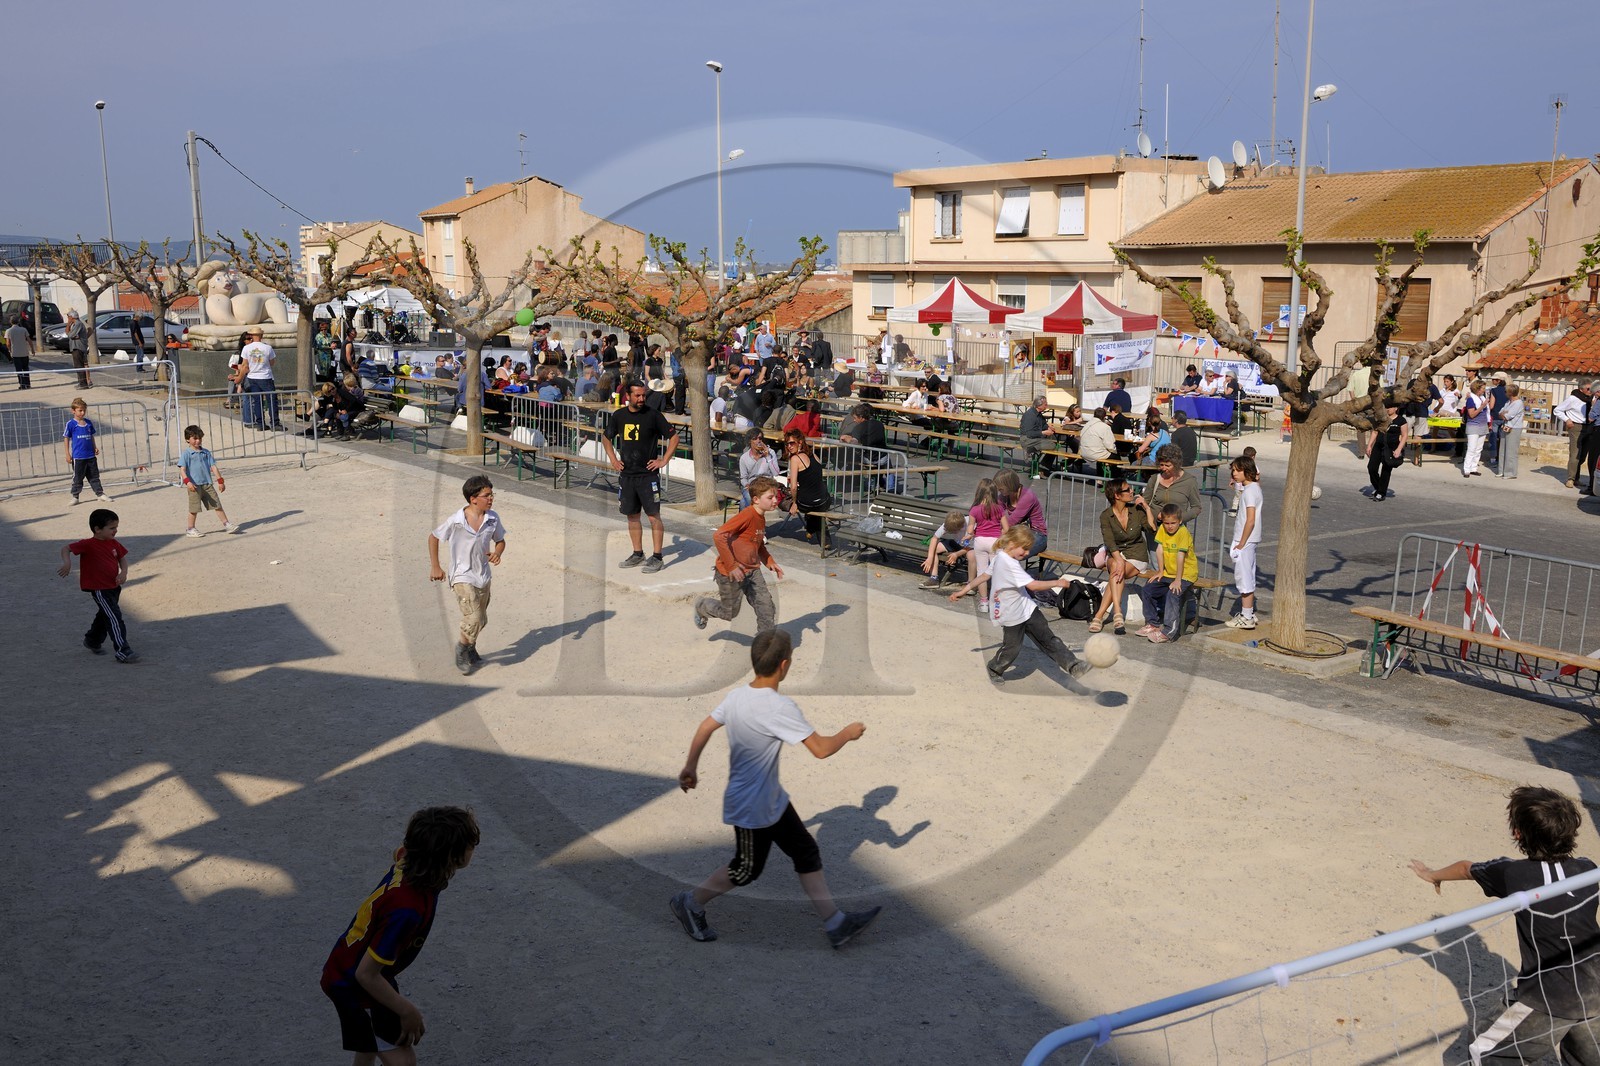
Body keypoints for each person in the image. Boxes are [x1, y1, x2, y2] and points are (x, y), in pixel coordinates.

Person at [671, 629, 881, 949]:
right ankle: (690, 902)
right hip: (753, 807)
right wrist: (846, 733)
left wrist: (691, 767)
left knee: (805, 851)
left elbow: (705, 726)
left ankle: (836, 924)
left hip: (770, 800)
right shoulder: (779, 707)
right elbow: (821, 749)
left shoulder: (737, 696)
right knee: (746, 870)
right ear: (785, 665)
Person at [1409, 786, 1599, 1065]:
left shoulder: (1512, 873)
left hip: (1546, 1000)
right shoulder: (1588, 869)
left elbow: (1465, 868)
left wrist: (1431, 875)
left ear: (1517, 833)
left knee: (1486, 1055)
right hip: (1597, 988)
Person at [320, 806, 480, 1064]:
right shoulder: (407, 911)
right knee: (403, 1060)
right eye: (469, 845)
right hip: (353, 983)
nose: (474, 847)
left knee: (369, 1041)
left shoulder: (409, 860)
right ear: (449, 856)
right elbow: (366, 974)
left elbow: (401, 852)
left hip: (347, 966)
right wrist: (407, 1010)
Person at [948, 525, 1088, 684]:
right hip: (1010, 613)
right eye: (1025, 549)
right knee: (1012, 648)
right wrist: (1059, 582)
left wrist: (963, 590)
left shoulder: (1001, 556)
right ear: (1012, 544)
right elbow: (1033, 586)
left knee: (1048, 638)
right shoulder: (1008, 563)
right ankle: (994, 668)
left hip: (1027, 608)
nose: (1028, 553)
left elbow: (984, 576)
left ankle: (1074, 665)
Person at [428, 475, 506, 675]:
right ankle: (462, 649)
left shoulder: (493, 518)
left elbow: (500, 541)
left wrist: (497, 553)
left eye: (491, 494)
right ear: (473, 499)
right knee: (473, 618)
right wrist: (435, 566)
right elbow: (434, 537)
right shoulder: (456, 520)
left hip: (483, 575)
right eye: (486, 495)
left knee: (481, 619)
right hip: (462, 575)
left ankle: (470, 648)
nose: (491, 499)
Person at [693, 475, 786, 635]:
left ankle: (763, 644)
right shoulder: (748, 515)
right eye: (770, 497)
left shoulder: (761, 517)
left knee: (766, 607)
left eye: (775, 496)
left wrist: (770, 561)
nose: (775, 500)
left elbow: (757, 544)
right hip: (730, 573)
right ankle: (702, 606)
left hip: (752, 572)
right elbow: (719, 535)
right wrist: (732, 566)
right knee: (729, 613)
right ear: (756, 499)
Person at [603, 382, 680, 573]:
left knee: (654, 516)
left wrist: (663, 460)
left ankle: (657, 556)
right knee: (632, 516)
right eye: (637, 395)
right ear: (628, 396)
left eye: (643, 395)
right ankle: (638, 553)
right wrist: (613, 459)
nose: (641, 399)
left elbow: (674, 437)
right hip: (627, 475)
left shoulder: (653, 415)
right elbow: (606, 437)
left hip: (648, 476)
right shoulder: (619, 416)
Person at [57, 506, 136, 662]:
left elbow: (122, 559)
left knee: (105, 615)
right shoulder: (88, 544)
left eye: (116, 527)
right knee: (114, 617)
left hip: (114, 586)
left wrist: (123, 572)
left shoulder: (114, 543)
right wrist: (67, 563)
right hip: (100, 588)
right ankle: (123, 651)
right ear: (97, 529)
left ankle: (92, 640)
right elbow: (66, 548)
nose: (115, 531)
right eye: (112, 528)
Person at [1088, 478, 1151, 636]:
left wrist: (1147, 508)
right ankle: (1117, 613)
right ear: (1117, 495)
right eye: (1127, 489)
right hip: (1116, 553)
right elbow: (1109, 541)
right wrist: (1119, 560)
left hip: (1136, 554)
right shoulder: (1106, 516)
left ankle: (1100, 616)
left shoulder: (1136, 510)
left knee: (1116, 573)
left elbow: (1151, 528)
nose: (1132, 491)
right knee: (1117, 568)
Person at [1138, 502, 1199, 644]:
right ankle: (1152, 624)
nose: (1170, 526)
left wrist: (1178, 580)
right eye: (1166, 523)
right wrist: (1160, 571)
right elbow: (1159, 550)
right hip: (1168, 572)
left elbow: (1181, 557)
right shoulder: (1163, 530)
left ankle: (1169, 631)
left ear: (1180, 521)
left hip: (1185, 574)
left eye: (1173, 523)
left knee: (1173, 593)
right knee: (1148, 589)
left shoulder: (1183, 533)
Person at [179, 426, 239, 537]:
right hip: (194, 486)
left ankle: (227, 524)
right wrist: (188, 482)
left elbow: (213, 467)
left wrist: (220, 481)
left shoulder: (206, 452)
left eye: (200, 438)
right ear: (188, 439)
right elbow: (182, 470)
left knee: (217, 504)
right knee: (194, 508)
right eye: (195, 438)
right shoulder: (186, 454)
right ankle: (190, 529)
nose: (198, 441)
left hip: (207, 484)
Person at [1225, 455, 1263, 630]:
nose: (1234, 473)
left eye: (1237, 470)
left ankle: (1246, 616)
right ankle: (1249, 613)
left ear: (1246, 471)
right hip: (1249, 540)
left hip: (1245, 540)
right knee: (1248, 575)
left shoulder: (1249, 492)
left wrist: (1241, 543)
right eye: (1233, 470)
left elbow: (1250, 520)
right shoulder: (1253, 488)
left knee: (1244, 578)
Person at [965, 478, 1008, 614]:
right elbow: (1006, 528)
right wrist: (999, 534)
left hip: (980, 541)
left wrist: (969, 534)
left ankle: (984, 602)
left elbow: (970, 529)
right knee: (996, 572)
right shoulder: (999, 509)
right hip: (995, 542)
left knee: (982, 572)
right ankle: (997, 602)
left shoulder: (975, 510)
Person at [63, 397, 114, 504]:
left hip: (90, 455)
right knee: (78, 477)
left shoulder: (89, 423)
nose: (82, 413)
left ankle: (100, 494)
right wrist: (67, 454)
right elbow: (66, 438)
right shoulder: (71, 424)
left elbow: (91, 436)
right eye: (80, 410)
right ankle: (75, 497)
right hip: (78, 456)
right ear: (73, 411)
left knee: (94, 476)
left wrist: (94, 447)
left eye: (84, 410)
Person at [783, 431, 832, 543]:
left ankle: (811, 527)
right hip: (825, 500)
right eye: (787, 444)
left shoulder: (795, 459)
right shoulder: (814, 455)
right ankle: (815, 532)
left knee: (787, 499)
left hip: (810, 502)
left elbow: (794, 487)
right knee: (813, 505)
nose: (789, 446)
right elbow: (815, 478)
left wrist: (795, 503)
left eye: (791, 443)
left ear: (800, 442)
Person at [1141, 444, 1203, 523]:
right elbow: (1145, 502)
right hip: (1155, 528)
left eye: (1167, 465)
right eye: (1161, 465)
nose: (1163, 468)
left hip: (1177, 529)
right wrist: (1156, 515)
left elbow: (1196, 508)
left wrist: (1179, 519)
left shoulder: (1190, 481)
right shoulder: (1154, 479)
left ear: (1176, 464)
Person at [996, 470, 1047, 564]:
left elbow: (1011, 522)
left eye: (1000, 487)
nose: (998, 489)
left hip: (1036, 534)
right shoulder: (1004, 495)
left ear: (1009, 485)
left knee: (1011, 553)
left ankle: (1010, 577)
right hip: (1017, 532)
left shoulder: (1027, 496)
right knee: (995, 549)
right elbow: (996, 514)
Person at [239, 328, 284, 431]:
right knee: (271, 400)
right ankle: (275, 423)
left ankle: (260, 423)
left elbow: (245, 364)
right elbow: (272, 362)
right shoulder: (267, 348)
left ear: (251, 336)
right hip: (265, 376)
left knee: (257, 401)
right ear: (261, 335)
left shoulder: (246, 348)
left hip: (252, 376)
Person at [1364, 403, 1407, 502]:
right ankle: (1378, 488)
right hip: (1378, 446)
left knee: (1386, 471)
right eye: (1386, 407)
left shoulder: (1401, 420)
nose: (1387, 409)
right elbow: (1375, 432)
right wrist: (1369, 445)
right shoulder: (1381, 419)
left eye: (1390, 407)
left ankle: (1381, 493)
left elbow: (1404, 435)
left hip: (1391, 448)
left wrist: (1399, 449)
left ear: (1396, 408)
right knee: (1371, 468)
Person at [1554, 382, 1593, 488]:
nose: (1591, 390)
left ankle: (1577, 478)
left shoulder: (1592, 399)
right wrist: (1567, 420)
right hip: (1576, 427)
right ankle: (1570, 479)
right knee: (1575, 454)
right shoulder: (1573, 398)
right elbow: (1557, 410)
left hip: (1589, 427)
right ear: (1581, 389)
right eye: (1588, 388)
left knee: (1583, 455)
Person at [918, 511, 970, 590]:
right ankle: (934, 578)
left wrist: (957, 554)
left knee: (971, 554)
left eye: (952, 532)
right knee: (934, 549)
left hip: (967, 548)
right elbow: (934, 538)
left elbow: (973, 547)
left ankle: (971, 582)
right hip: (956, 543)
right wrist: (930, 558)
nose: (949, 532)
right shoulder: (949, 523)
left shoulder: (970, 525)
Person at [737, 429, 782, 508]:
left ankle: (752, 518)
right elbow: (743, 478)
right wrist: (747, 484)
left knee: (744, 502)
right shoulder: (744, 458)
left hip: (766, 485)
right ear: (749, 441)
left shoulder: (770, 453)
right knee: (744, 501)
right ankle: (753, 519)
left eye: (760, 438)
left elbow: (776, 473)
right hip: (752, 486)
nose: (758, 441)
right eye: (755, 439)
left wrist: (768, 457)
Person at [1019, 395, 1059, 477]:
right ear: (1039, 406)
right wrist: (1044, 432)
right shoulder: (1030, 415)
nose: (1047, 405)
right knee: (1053, 445)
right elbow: (1029, 434)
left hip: (1035, 439)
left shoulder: (1038, 414)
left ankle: (1042, 467)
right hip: (1027, 440)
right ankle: (1042, 468)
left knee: (1054, 442)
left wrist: (1048, 427)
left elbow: (1043, 424)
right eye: (1045, 404)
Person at [1460, 378, 1490, 477]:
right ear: (1477, 389)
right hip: (1473, 426)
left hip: (1482, 426)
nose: (1484, 390)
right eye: (1482, 388)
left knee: (1478, 449)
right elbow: (1471, 414)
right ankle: (1467, 469)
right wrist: (1482, 406)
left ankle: (1474, 467)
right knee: (1471, 448)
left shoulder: (1481, 398)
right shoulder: (1471, 399)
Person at [1496, 384, 1525, 479]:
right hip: (1506, 426)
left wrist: (1503, 414)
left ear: (1510, 393)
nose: (1504, 393)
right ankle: (1501, 470)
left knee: (1511, 451)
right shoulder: (1508, 402)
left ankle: (1510, 473)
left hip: (1514, 428)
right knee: (1502, 449)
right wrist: (1503, 413)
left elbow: (1507, 415)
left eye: (1506, 391)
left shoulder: (1518, 403)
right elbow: (1500, 413)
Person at [1077, 407, 1116, 473]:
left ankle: (1099, 478)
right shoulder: (1105, 427)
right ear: (1104, 417)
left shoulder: (1086, 424)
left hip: (1083, 452)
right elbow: (1110, 446)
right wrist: (1115, 451)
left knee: (1101, 452)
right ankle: (1116, 478)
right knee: (1115, 457)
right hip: (1095, 454)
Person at [1579, 381, 1600, 496]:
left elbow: (1591, 418)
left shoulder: (1598, 402)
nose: (1594, 396)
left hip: (1597, 432)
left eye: (1594, 394)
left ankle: (1592, 487)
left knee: (1593, 460)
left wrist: (1593, 406)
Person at [1486, 372, 1509, 470]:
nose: (1492, 381)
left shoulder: (1493, 391)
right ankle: (1502, 458)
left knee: (1493, 438)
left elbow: (1491, 405)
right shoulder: (1509, 390)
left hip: (1495, 416)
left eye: (1494, 379)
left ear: (1498, 381)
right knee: (1503, 438)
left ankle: (1492, 459)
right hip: (1505, 417)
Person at [6, 313, 32, 389]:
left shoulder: (9, 331)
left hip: (15, 353)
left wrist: (10, 350)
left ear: (10, 322)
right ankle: (28, 384)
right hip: (24, 352)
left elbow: (8, 343)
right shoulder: (24, 329)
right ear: (18, 321)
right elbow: (29, 340)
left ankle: (22, 384)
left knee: (19, 370)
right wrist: (32, 349)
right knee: (26, 368)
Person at [66, 309, 91, 388]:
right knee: (77, 365)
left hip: (78, 347)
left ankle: (83, 383)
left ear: (72, 317)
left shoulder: (78, 324)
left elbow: (70, 335)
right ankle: (81, 382)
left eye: (69, 317)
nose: (68, 319)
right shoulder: (75, 324)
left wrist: (68, 326)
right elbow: (69, 334)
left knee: (79, 365)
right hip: (75, 347)